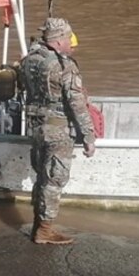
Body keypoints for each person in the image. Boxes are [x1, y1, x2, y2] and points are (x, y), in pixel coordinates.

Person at [20, 17, 96, 245]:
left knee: (42, 178)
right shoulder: (64, 65)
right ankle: (45, 230)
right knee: (54, 180)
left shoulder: (29, 60)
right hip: (58, 129)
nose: (71, 42)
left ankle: (39, 224)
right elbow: (77, 103)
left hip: (35, 127)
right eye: (68, 38)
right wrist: (89, 135)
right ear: (58, 40)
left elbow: (22, 87)